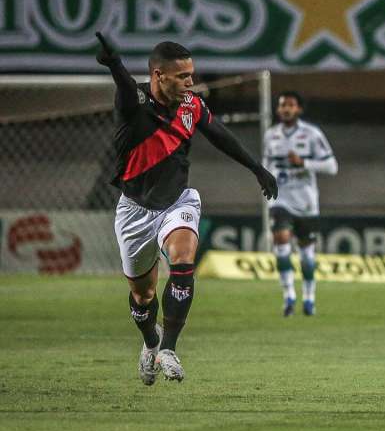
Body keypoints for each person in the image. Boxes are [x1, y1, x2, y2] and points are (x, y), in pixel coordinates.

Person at [96, 32, 277, 384]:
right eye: (183, 76)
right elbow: (124, 87)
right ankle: (151, 341)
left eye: (191, 74)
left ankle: (169, 348)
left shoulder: (192, 106)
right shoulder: (135, 105)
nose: (191, 82)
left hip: (177, 200)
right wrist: (115, 63)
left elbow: (221, 134)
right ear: (159, 75)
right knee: (142, 294)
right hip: (134, 210)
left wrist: (257, 167)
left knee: (182, 261)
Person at [262, 92, 338, 316]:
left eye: (291, 105)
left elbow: (332, 166)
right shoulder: (271, 135)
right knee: (281, 240)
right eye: (282, 105)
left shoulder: (312, 134)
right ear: (278, 110)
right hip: (281, 200)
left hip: (306, 202)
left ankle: (309, 298)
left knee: (306, 254)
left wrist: (304, 162)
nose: (286, 109)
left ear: (299, 110)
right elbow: (266, 165)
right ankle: (288, 296)